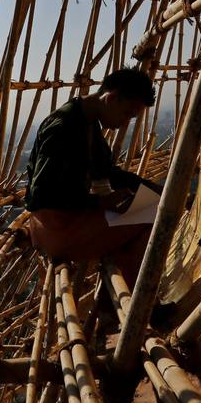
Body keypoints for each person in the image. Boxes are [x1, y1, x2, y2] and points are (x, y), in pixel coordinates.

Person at [24, 68, 160, 283]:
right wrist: (99, 202)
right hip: (55, 229)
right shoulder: (64, 127)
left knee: (152, 204)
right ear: (111, 98)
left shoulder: (85, 120)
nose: (125, 123)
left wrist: (160, 190)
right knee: (154, 215)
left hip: (66, 222)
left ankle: (113, 307)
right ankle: (135, 303)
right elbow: (41, 197)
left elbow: (109, 172)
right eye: (127, 113)